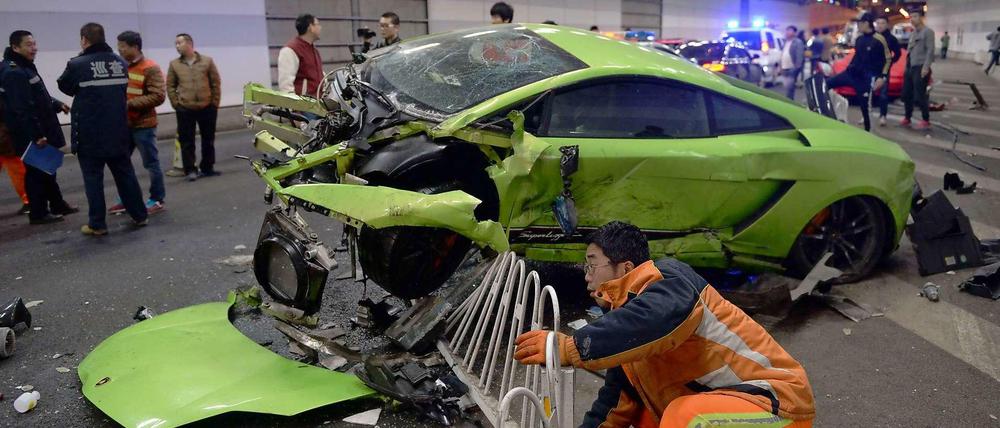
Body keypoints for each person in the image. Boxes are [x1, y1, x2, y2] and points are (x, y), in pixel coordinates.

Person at [514, 221, 815, 428]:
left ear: (626, 267)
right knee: (646, 416)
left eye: (592, 264)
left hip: (778, 406)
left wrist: (569, 347)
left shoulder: (671, 280)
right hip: (728, 408)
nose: (586, 275)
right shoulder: (626, 331)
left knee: (685, 415)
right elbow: (615, 403)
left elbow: (652, 319)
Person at [57, 23, 147, 235]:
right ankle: (139, 215)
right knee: (125, 175)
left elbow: (65, 86)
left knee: (93, 179)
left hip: (90, 134)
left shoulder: (77, 64)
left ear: (84, 40)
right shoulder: (120, 62)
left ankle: (97, 224)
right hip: (118, 131)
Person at [1, 30, 77, 225]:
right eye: (28, 45)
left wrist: (57, 104)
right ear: (15, 47)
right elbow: (22, 108)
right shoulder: (14, 72)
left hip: (38, 128)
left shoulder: (23, 67)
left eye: (34, 44)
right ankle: (38, 212)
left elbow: (36, 96)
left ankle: (57, 204)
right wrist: (37, 135)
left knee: (47, 168)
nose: (34, 48)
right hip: (30, 132)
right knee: (36, 173)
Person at [113, 30, 165, 216]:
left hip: (144, 125)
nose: (119, 50)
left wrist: (128, 104)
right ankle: (127, 198)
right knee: (122, 164)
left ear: (135, 47)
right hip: (124, 125)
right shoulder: (119, 66)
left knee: (151, 163)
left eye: (123, 47)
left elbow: (158, 96)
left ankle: (157, 199)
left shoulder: (150, 67)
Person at [167, 33, 221, 181]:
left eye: (179, 43)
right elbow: (170, 86)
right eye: (176, 44)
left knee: (208, 139)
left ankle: (207, 167)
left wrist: (214, 103)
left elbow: (215, 83)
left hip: (207, 106)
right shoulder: (174, 64)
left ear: (189, 44)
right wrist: (176, 104)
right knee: (187, 141)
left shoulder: (207, 61)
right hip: (185, 108)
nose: (177, 46)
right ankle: (190, 169)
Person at [826, 13, 889, 132]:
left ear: (866, 23)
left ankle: (868, 132)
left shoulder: (879, 39)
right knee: (826, 84)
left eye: (859, 23)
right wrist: (850, 67)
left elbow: (887, 59)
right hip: (850, 73)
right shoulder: (859, 39)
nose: (858, 26)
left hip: (865, 78)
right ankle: (830, 112)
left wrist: (882, 77)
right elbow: (857, 56)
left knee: (865, 107)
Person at [900, 10, 935, 130]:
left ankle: (926, 119)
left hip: (920, 67)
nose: (912, 19)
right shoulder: (913, 33)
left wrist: (926, 67)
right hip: (910, 67)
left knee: (919, 95)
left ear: (921, 18)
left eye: (915, 16)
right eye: (911, 17)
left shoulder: (928, 32)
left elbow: (930, 51)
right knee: (906, 94)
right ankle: (907, 117)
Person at [278, 14, 323, 97]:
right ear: (311, 27)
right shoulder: (290, 50)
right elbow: (285, 84)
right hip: (303, 107)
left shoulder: (313, 50)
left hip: (316, 104)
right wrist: (293, 107)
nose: (320, 27)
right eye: (318, 24)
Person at [0, 98, 30, 214]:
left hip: (4, 138)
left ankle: (29, 200)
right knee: (18, 172)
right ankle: (29, 200)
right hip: (5, 137)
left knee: (17, 171)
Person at [875, 16, 902, 127]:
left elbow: (898, 53)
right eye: (878, 23)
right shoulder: (873, 37)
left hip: (884, 70)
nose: (880, 25)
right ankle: (866, 114)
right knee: (868, 93)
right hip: (871, 69)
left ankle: (883, 116)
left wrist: (890, 63)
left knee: (883, 94)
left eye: (882, 23)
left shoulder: (891, 39)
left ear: (887, 25)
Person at [780, 26, 804, 100]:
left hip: (792, 67)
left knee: (790, 87)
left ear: (794, 32)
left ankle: (789, 101)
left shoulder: (798, 42)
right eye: (787, 30)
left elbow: (799, 55)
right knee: (786, 85)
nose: (787, 32)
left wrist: (797, 66)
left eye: (790, 31)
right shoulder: (785, 42)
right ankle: (789, 100)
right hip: (784, 66)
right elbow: (782, 53)